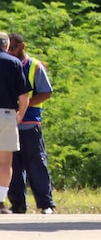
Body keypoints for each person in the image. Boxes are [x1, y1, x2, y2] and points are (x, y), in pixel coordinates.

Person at [7, 34, 56, 214]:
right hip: (9, 123)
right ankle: (18, 204)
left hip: (30, 123)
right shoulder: (7, 65)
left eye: (13, 48)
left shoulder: (35, 66)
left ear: (22, 46)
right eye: (7, 48)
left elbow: (46, 93)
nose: (10, 52)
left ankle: (46, 204)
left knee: (37, 164)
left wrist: (25, 105)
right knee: (13, 166)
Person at [0, 32, 30, 215]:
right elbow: (24, 97)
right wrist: (19, 115)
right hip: (6, 114)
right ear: (7, 45)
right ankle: (0, 201)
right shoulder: (14, 63)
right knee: (5, 162)